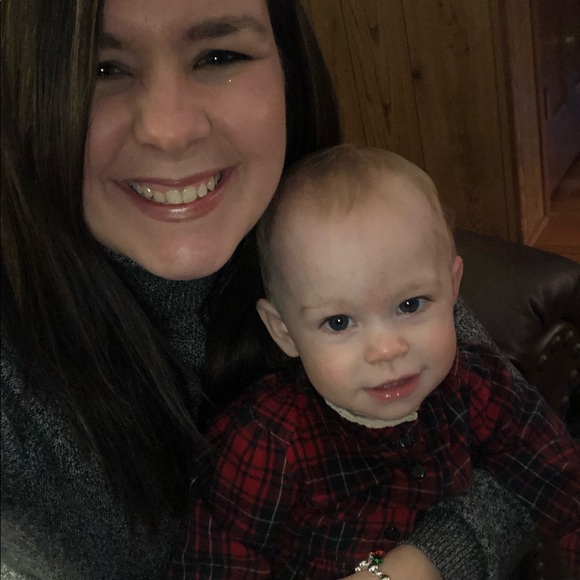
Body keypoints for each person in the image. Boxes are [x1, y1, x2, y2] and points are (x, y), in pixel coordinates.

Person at [0, 0, 541, 578]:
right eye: (101, 69)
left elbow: (525, 458)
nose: (168, 130)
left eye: (218, 56)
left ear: (290, 70)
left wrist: (418, 564)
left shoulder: (345, 237)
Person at [168, 144, 580, 579]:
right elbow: (213, 567)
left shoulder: (479, 384)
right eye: (339, 322)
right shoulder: (264, 444)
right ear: (284, 331)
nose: (386, 349)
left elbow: (559, 477)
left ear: (453, 285)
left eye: (410, 304)